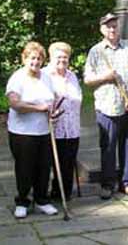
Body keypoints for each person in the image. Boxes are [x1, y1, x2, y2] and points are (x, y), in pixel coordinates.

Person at [84, 13, 128, 200]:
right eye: (108, 26)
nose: (112, 29)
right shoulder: (96, 51)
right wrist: (105, 77)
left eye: (115, 26)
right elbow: (87, 80)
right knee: (108, 147)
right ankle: (107, 184)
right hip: (106, 107)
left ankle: (126, 183)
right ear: (102, 29)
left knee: (127, 145)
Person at [6, 41, 58, 219]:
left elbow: (51, 100)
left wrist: (53, 111)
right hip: (22, 133)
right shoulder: (17, 78)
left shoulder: (46, 77)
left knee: (44, 167)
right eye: (32, 58)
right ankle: (22, 202)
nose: (35, 62)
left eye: (39, 58)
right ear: (25, 58)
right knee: (24, 168)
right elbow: (15, 104)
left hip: (44, 131)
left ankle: (42, 200)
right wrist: (39, 108)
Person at [44, 42, 82, 201]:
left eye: (65, 56)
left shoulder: (72, 76)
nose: (62, 60)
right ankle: (41, 195)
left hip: (72, 128)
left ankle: (62, 194)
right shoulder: (43, 75)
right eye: (58, 56)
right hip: (51, 128)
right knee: (46, 164)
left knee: (68, 163)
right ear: (51, 57)